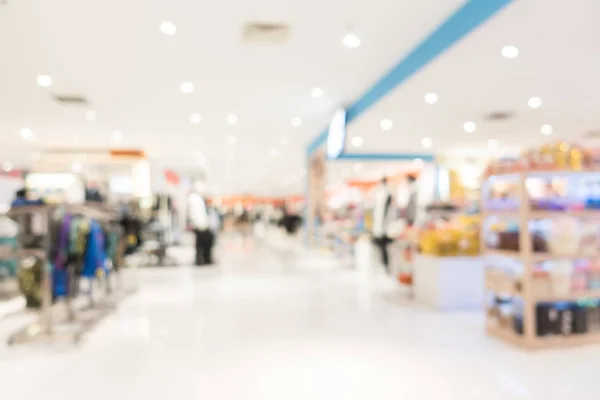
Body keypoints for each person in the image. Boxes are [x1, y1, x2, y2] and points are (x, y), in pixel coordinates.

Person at [372, 177, 393, 272]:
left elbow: (388, 213)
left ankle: (385, 265)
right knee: (380, 247)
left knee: (384, 248)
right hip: (380, 226)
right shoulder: (379, 193)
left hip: (384, 226)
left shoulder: (387, 194)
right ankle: (383, 265)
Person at [188, 191, 213, 266]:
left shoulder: (196, 200)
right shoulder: (195, 199)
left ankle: (203, 259)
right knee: (201, 245)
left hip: (201, 226)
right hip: (200, 226)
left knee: (202, 245)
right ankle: (203, 259)